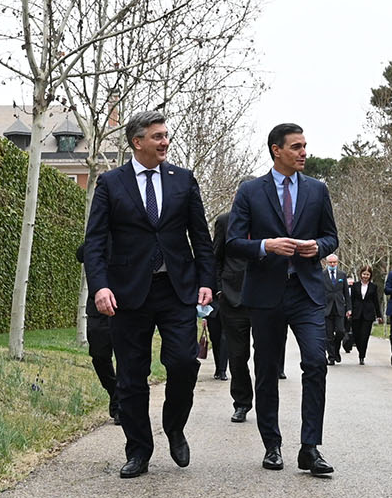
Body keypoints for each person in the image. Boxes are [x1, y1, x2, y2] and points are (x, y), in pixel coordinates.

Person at [82, 111, 215, 478]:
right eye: (157, 136)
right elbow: (94, 241)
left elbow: (200, 237)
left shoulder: (183, 180)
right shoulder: (111, 183)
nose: (165, 142)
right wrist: (101, 286)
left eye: (166, 135)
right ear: (137, 141)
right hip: (127, 293)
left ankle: (174, 427)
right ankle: (139, 449)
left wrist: (207, 281)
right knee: (131, 376)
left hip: (177, 288)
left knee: (185, 363)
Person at [226, 122, 340, 475]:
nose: (304, 152)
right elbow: (232, 242)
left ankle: (310, 448)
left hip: (306, 292)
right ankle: (272, 445)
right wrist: (266, 245)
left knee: (315, 364)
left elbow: (331, 237)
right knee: (266, 371)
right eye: (296, 147)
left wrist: (316, 247)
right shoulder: (250, 191)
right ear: (277, 150)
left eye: (305, 145)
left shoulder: (318, 190)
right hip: (265, 294)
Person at [210, 206, 255, 422]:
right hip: (231, 297)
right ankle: (242, 403)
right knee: (237, 356)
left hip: (263, 298)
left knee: (266, 357)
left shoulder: (269, 220)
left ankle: (265, 405)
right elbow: (216, 257)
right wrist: (219, 288)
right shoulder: (225, 221)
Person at [76, 242, 120, 419]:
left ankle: (121, 405)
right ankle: (115, 392)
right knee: (99, 354)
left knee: (127, 357)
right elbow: (81, 254)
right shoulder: (99, 236)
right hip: (98, 306)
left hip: (127, 303)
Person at [346, 264, 380, 365]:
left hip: (368, 314)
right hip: (356, 313)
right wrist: (349, 310)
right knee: (356, 336)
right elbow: (351, 300)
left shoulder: (373, 287)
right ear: (361, 274)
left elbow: (376, 302)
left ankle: (362, 356)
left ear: (370, 275)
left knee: (364, 336)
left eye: (367, 274)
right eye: (364, 274)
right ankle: (360, 350)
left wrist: (379, 315)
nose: (365, 276)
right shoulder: (355, 286)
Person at [323, 254, 348, 365]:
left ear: (337, 263)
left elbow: (346, 293)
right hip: (326, 308)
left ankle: (336, 350)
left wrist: (349, 308)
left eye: (334, 262)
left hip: (339, 308)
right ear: (326, 263)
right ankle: (331, 357)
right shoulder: (321, 275)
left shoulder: (342, 275)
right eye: (330, 262)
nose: (332, 264)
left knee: (340, 331)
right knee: (328, 335)